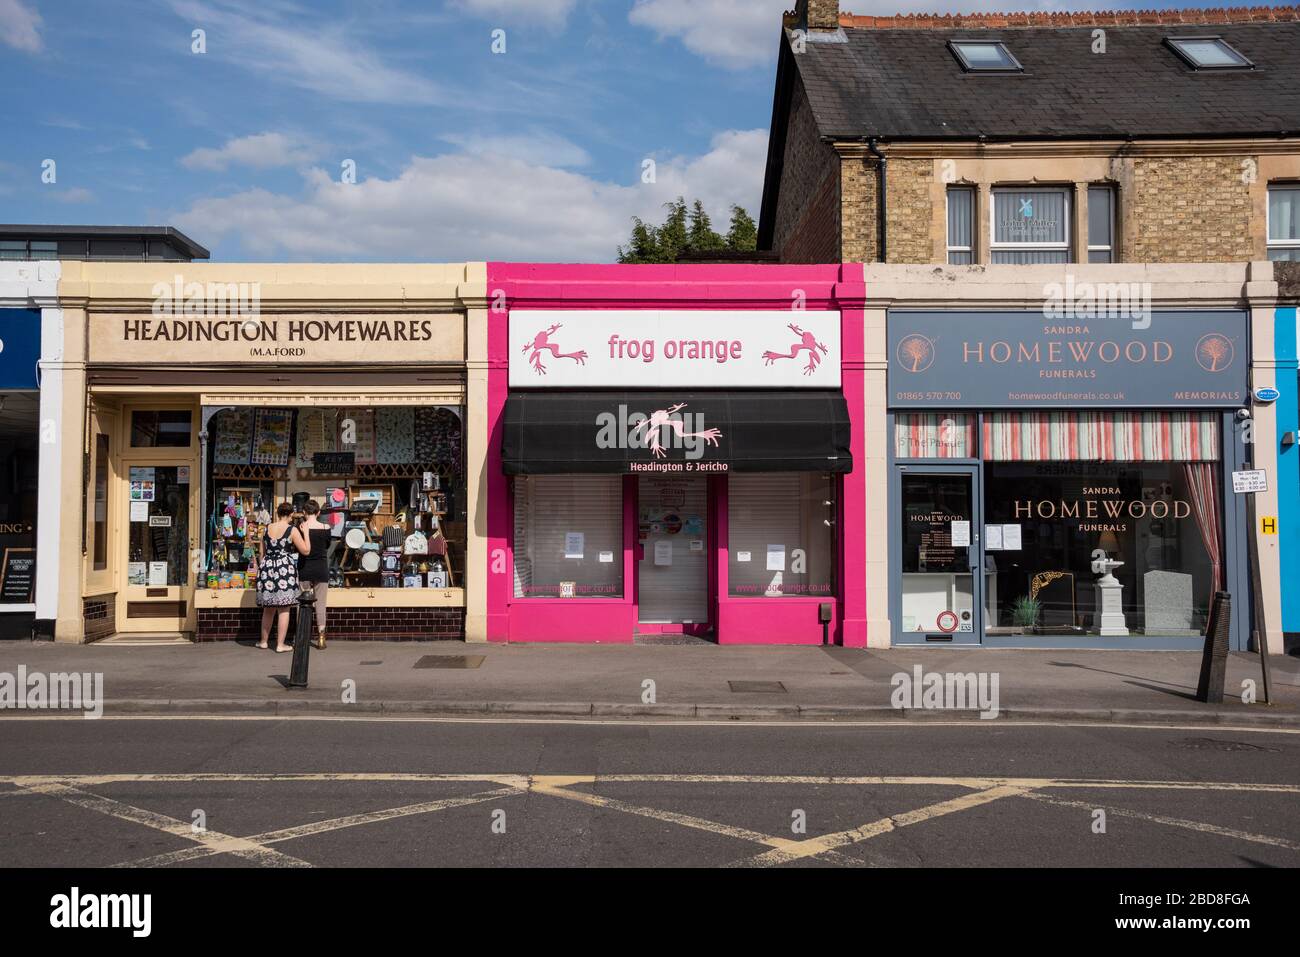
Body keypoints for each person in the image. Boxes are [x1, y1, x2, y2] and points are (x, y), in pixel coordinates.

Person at [256, 502, 309, 652]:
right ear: (291, 514)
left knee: (268, 608)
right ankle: (280, 644)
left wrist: (265, 567)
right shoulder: (292, 530)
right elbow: (305, 550)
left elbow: (261, 553)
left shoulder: (267, 528)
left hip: (267, 568)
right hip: (284, 568)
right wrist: (305, 533)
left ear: (277, 513)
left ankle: (263, 642)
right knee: (284, 608)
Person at [297, 499, 333, 649]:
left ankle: (301, 636)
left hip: (304, 567)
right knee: (321, 604)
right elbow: (327, 545)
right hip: (321, 567)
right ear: (318, 512)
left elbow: (296, 547)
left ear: (304, 513)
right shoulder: (326, 527)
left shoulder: (300, 528)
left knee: (302, 603)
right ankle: (321, 636)